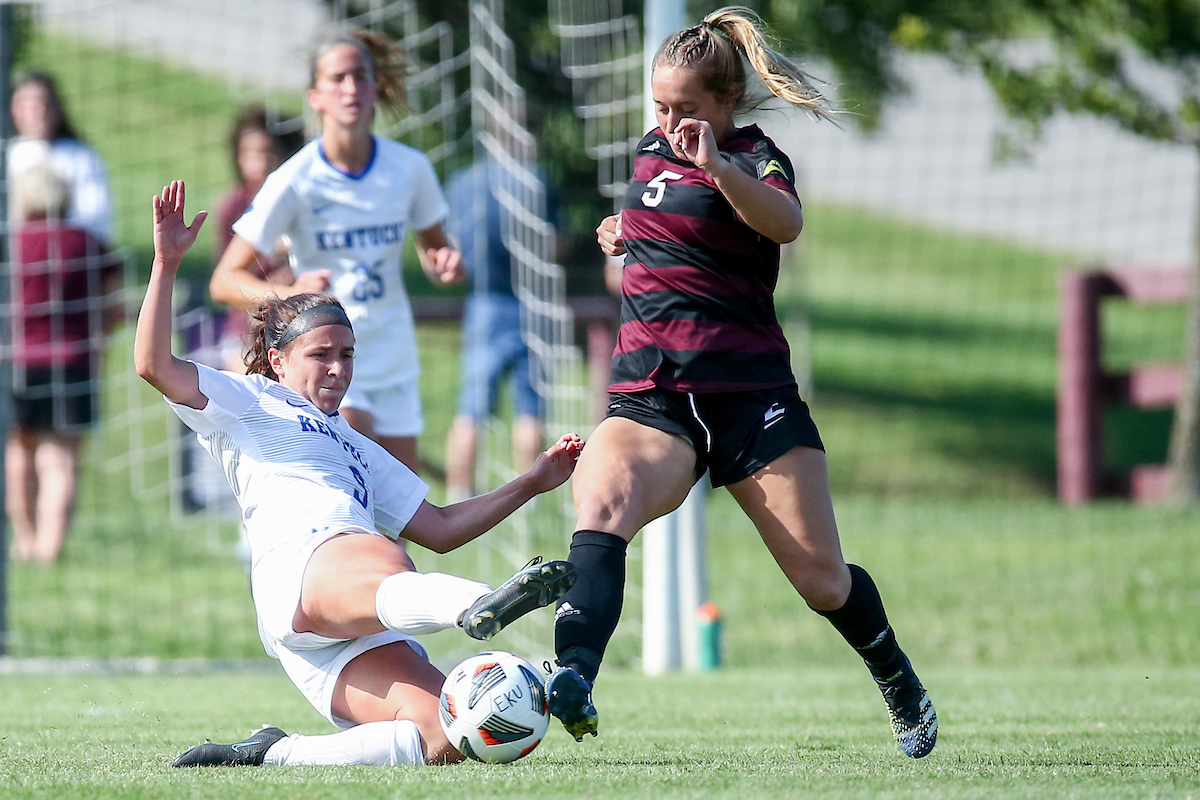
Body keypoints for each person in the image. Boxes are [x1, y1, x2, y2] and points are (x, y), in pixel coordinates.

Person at [543, 7, 938, 759]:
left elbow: (784, 224)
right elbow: (650, 254)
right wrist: (617, 236)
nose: (669, 122)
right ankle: (573, 677)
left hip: (750, 398)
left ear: (727, 103)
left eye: (686, 109)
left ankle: (897, 679)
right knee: (602, 501)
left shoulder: (757, 158)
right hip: (652, 394)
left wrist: (717, 169)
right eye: (659, 107)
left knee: (823, 580)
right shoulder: (648, 153)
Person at [138, 181, 580, 767]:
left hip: (344, 625)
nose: (337, 368)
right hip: (303, 574)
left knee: (445, 737)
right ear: (278, 359)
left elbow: (442, 527)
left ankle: (271, 754)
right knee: (380, 553)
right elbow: (152, 364)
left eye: (346, 355)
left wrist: (531, 481)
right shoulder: (246, 399)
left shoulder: (354, 444)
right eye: (320, 354)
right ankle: (476, 604)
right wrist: (166, 262)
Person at [211, 29, 464, 474]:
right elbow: (224, 280)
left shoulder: (410, 169)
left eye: (360, 76)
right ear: (316, 96)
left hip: (394, 355)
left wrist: (443, 265)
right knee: (355, 486)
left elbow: (436, 251)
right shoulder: (294, 180)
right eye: (338, 78)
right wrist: (285, 297)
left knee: (399, 518)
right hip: (332, 358)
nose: (350, 88)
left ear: (375, 89)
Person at [6, 163, 121, 564]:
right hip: (73, 360)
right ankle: (50, 549)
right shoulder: (88, 243)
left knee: (19, 451)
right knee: (61, 459)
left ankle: (24, 540)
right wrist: (100, 342)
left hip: (17, 361)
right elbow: (112, 306)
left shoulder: (11, 242)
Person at [443, 159, 544, 502]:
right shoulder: (535, 179)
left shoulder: (463, 180)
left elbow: (450, 241)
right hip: (529, 303)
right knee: (529, 406)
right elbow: (551, 242)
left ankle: (459, 492)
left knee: (470, 407)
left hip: (483, 302)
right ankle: (529, 497)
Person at [211, 105, 304, 372]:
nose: (258, 163)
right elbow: (228, 277)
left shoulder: (296, 200)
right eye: (248, 154)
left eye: (266, 153)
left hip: (297, 324)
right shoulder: (233, 206)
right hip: (247, 327)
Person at [8, 71, 112, 244]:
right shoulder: (8, 155)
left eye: (43, 103)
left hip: (70, 253)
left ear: (57, 108)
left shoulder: (81, 157)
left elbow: (95, 218)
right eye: (27, 105)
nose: (38, 112)